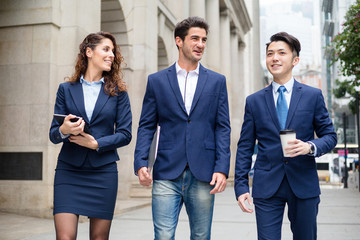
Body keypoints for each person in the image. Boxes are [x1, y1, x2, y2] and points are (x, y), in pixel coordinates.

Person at [134, 16, 231, 240]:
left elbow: (222, 127)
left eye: (204, 40)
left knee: (200, 235)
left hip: (204, 172)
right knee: (164, 235)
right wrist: (141, 163)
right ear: (179, 41)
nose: (200, 44)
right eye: (195, 38)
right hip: (166, 170)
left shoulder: (217, 81)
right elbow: (147, 125)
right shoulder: (156, 81)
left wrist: (222, 167)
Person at [234, 32, 337, 240]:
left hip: (303, 183)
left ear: (295, 60)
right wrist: (241, 186)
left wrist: (310, 146)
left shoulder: (312, 96)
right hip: (266, 185)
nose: (274, 58)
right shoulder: (254, 101)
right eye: (270, 53)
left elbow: (329, 136)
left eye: (281, 53)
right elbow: (245, 146)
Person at [49, 32, 132, 240]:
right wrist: (64, 130)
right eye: (106, 49)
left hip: (103, 172)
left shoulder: (119, 93)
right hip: (69, 171)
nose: (111, 54)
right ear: (88, 52)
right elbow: (53, 134)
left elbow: (126, 133)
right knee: (65, 237)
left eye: (113, 51)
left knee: (99, 238)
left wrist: (96, 143)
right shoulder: (66, 90)